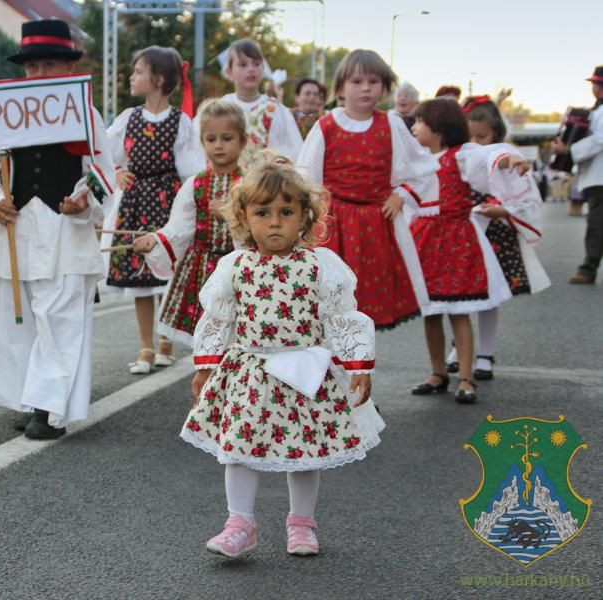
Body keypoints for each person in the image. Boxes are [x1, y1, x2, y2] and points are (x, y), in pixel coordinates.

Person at [181, 160, 383, 559]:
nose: (274, 223)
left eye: (286, 213)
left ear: (305, 217)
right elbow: (218, 319)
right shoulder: (235, 266)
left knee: (304, 453)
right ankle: (239, 523)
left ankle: (302, 524)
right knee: (238, 448)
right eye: (263, 213)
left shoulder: (319, 265)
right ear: (243, 217)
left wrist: (358, 364)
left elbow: (342, 316)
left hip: (304, 373)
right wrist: (206, 365)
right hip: (250, 373)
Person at [0, 19, 116, 440]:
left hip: (64, 230)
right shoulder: (4, 115)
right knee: (19, 321)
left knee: (59, 318)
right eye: (32, 67)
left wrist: (82, 200)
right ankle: (29, 396)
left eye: (49, 65)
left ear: (68, 69)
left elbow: (103, 174)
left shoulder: (85, 115)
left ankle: (50, 407)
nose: (39, 75)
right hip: (17, 230)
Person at [297, 49, 439, 330]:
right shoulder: (326, 125)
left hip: (377, 226)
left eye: (373, 82)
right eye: (357, 81)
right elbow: (306, 177)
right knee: (329, 301)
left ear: (384, 87)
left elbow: (423, 167)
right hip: (334, 225)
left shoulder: (391, 124)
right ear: (340, 88)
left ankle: (361, 368)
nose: (365, 88)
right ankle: (332, 367)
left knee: (368, 302)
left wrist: (402, 195)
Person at [409, 99, 521, 403]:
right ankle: (437, 372)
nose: (414, 127)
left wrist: (509, 159)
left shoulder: (462, 155)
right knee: (430, 312)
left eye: (420, 121)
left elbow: (489, 155)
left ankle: (467, 377)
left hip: (457, 241)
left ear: (439, 127)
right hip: (425, 239)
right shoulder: (417, 158)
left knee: (460, 310)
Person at [106, 45, 205, 373]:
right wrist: (117, 171)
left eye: (138, 71)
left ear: (159, 79)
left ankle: (165, 339)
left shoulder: (180, 122)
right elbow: (105, 155)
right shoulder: (128, 118)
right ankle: (146, 345)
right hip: (135, 201)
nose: (132, 77)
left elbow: (191, 168)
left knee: (168, 273)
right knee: (141, 277)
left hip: (168, 201)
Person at [444, 96, 550, 380]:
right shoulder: (460, 156)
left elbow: (525, 198)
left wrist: (504, 210)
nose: (477, 143)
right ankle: (458, 349)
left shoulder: (505, 156)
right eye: (471, 136)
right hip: (462, 236)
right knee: (459, 297)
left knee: (490, 297)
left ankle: (485, 353)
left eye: (483, 136)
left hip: (495, 236)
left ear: (497, 135)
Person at [132, 98, 246, 347]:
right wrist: (154, 240)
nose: (218, 146)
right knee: (208, 339)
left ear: (242, 140)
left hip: (240, 271)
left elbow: (262, 226)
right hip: (202, 270)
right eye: (211, 139)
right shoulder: (195, 184)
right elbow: (179, 228)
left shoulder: (250, 183)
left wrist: (232, 215)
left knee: (238, 337)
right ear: (202, 142)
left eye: (227, 138)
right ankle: (206, 382)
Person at [202, 38, 303, 170]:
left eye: (256, 64)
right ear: (229, 71)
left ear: (263, 68)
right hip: (226, 184)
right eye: (243, 65)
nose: (251, 69)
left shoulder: (275, 109)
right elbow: (201, 150)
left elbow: (293, 152)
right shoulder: (220, 108)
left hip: (264, 185)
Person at [552, 66, 603, 284]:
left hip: (600, 177)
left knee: (597, 223)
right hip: (595, 175)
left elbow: (599, 139)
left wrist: (569, 150)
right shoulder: (595, 112)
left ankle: (588, 268)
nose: (594, 88)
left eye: (597, 84)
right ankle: (588, 266)